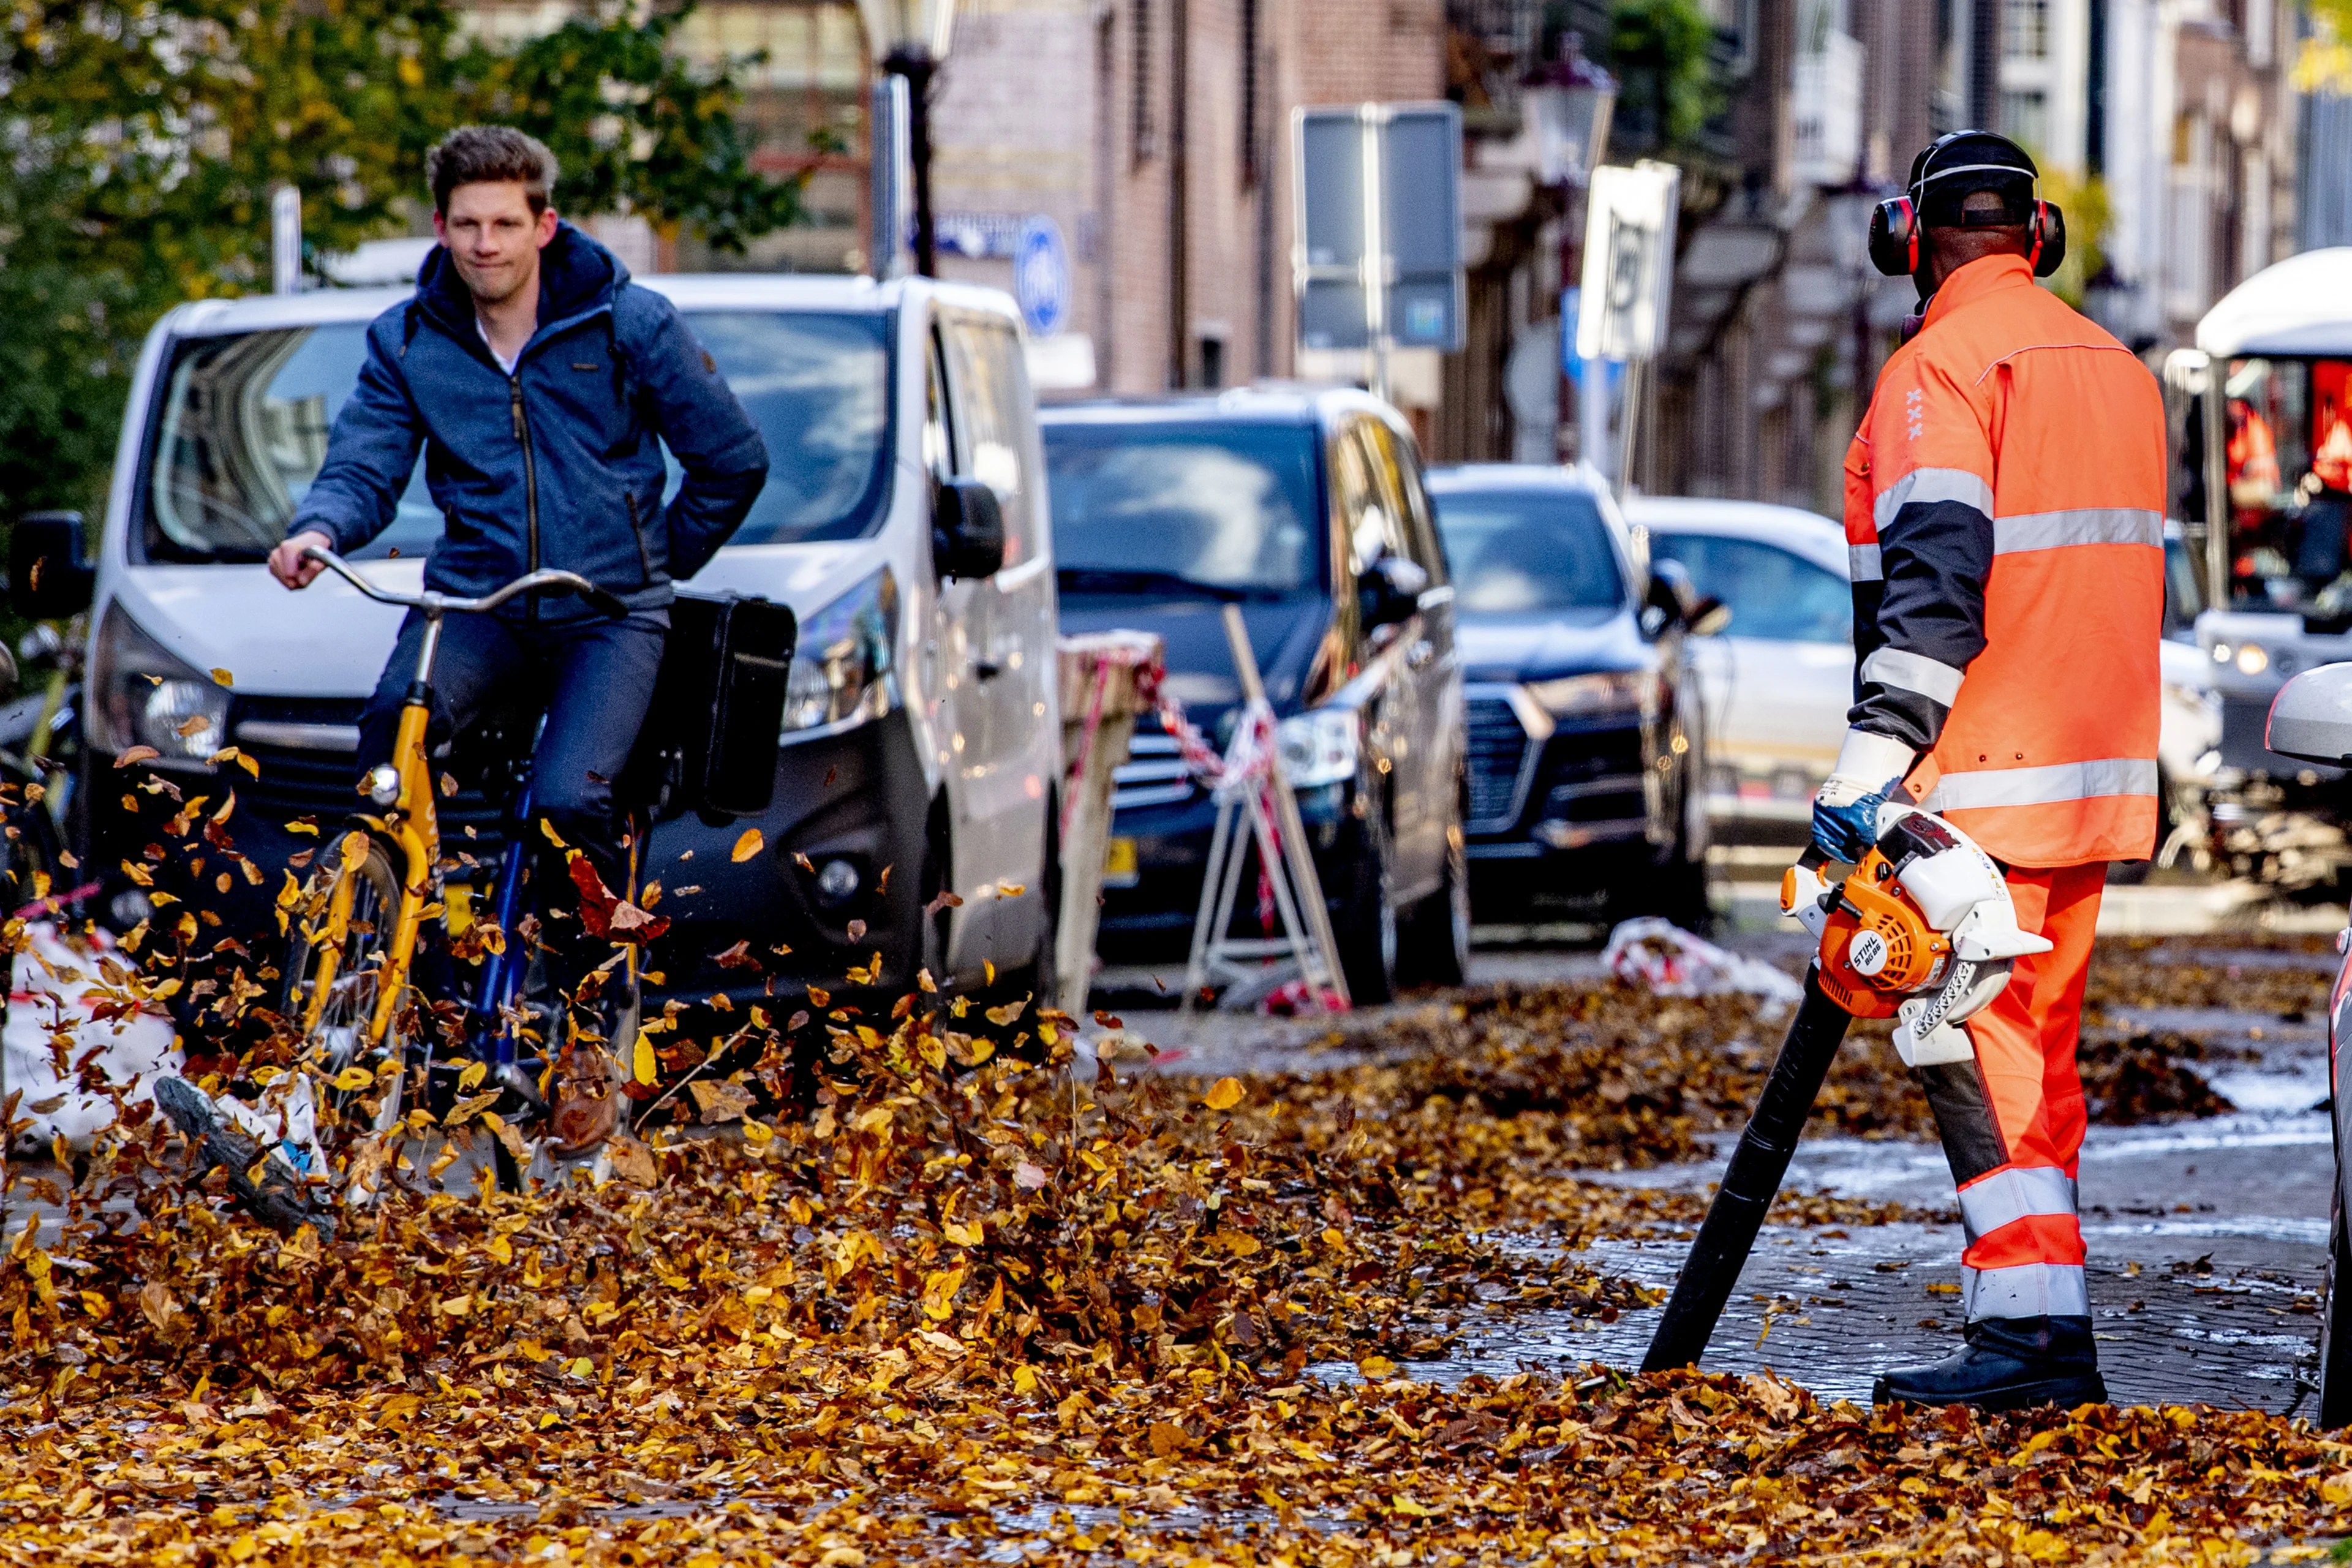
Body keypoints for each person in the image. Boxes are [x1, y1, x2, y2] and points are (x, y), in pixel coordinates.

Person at [269, 125, 769, 1148]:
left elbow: (732, 461)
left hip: (606, 613)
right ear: (441, 229)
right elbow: (366, 461)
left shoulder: (628, 323)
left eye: (506, 223)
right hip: (478, 600)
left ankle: (584, 1035)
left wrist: (649, 560)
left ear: (545, 224)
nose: (486, 244)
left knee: (568, 804)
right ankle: (398, 959)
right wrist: (319, 528)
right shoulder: (409, 338)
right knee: (387, 738)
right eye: (466, 225)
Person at [1815, 130, 2166, 1410]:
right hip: (2096, 772)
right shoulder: (2118, 370)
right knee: (2036, 1055)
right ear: (2039, 237)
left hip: (1982, 774)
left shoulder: (1938, 369)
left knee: (1966, 1042)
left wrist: (1866, 776)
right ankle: (2039, 1321)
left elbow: (1937, 584)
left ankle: (2027, 1347)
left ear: (1907, 237)